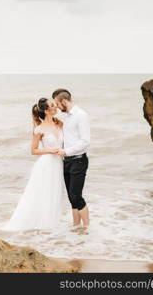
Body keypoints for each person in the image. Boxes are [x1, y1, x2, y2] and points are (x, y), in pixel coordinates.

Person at [1, 98, 68, 231]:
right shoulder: (39, 129)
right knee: (42, 192)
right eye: (53, 105)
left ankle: (52, 223)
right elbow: (33, 150)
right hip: (46, 164)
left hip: (58, 163)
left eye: (55, 105)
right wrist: (50, 150)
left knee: (55, 192)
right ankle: (41, 224)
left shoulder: (60, 123)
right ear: (46, 111)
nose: (56, 107)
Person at [52, 88, 91, 228]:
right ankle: (76, 226)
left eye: (57, 103)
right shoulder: (67, 117)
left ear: (64, 101)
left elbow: (85, 141)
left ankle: (86, 228)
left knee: (76, 196)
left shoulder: (81, 115)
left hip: (78, 160)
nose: (56, 106)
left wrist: (66, 151)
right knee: (71, 198)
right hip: (67, 161)